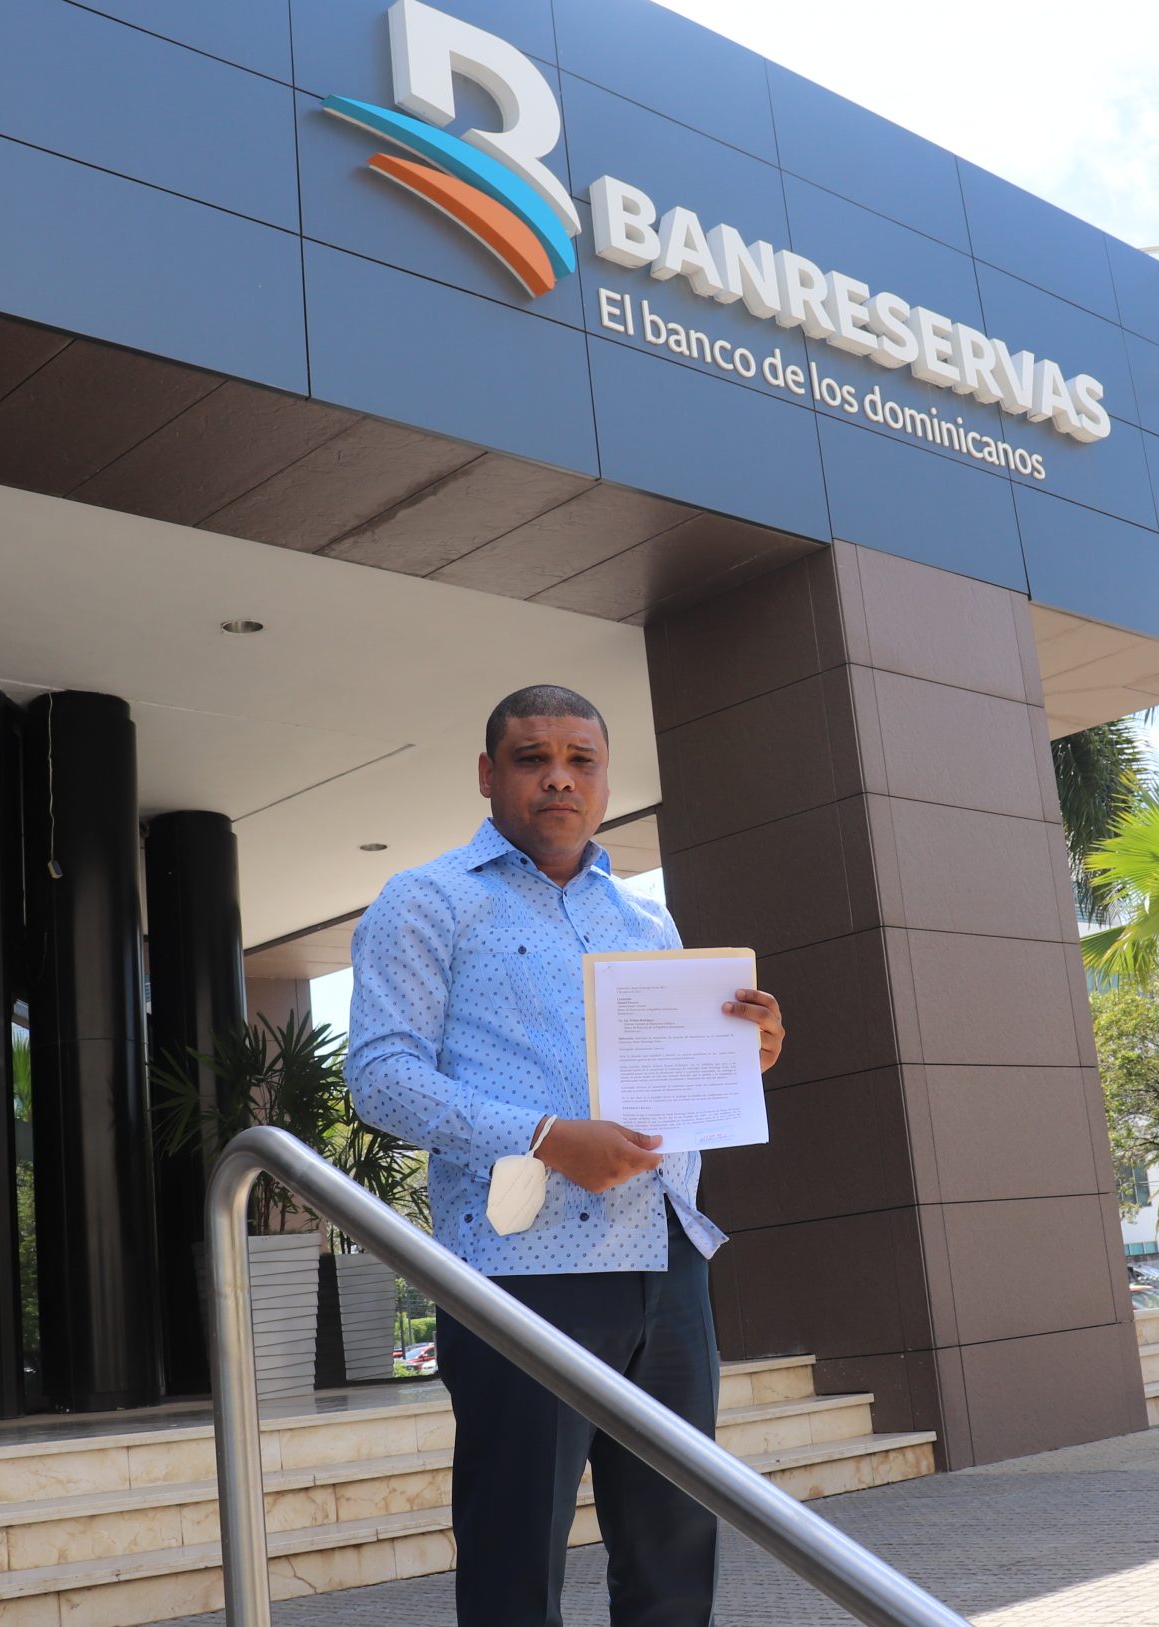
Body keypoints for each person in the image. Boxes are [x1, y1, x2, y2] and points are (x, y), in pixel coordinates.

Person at [346, 683, 784, 1627]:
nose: (559, 778)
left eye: (581, 760)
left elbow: (671, 1085)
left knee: (674, 1560)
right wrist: (545, 1137)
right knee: (515, 1564)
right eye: (532, 758)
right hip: (522, 1271)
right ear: (487, 773)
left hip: (667, 1261)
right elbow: (380, 1078)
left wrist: (740, 1054)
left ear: (605, 779)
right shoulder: (426, 901)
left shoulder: (646, 920)